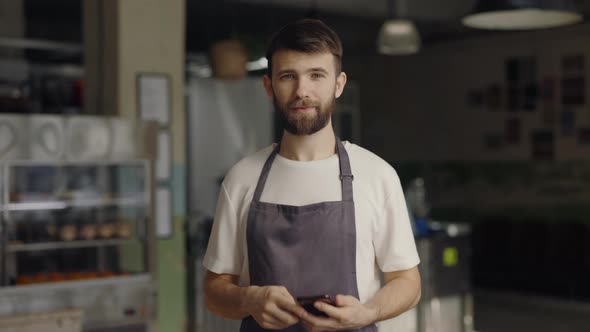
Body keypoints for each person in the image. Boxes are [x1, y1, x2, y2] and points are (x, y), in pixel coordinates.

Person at [203, 19, 421, 332]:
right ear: (269, 86)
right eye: (288, 76)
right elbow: (214, 290)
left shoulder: (377, 175)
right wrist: (250, 299)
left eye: (316, 75)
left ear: (338, 84)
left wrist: (369, 312)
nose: (302, 91)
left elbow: (408, 281)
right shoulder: (242, 179)